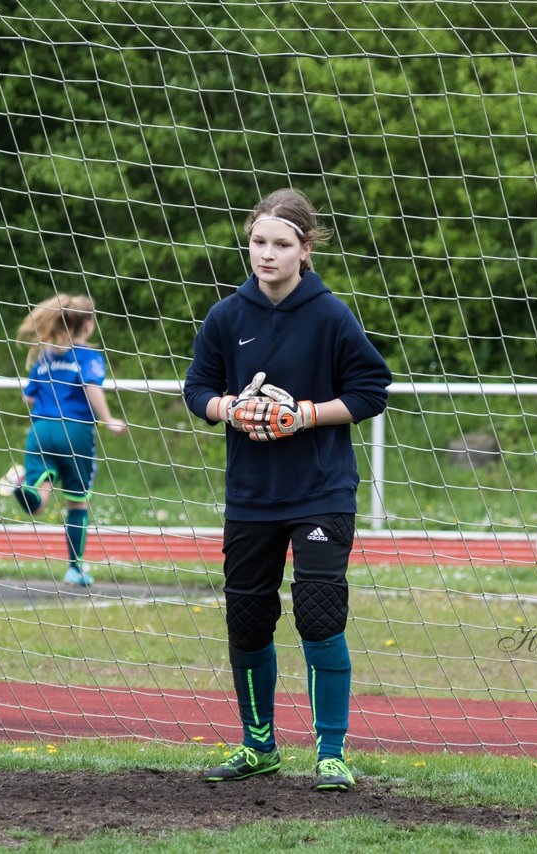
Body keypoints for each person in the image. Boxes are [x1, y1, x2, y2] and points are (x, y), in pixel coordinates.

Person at [183, 188, 392, 791]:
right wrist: (229, 409)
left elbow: (371, 390)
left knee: (319, 616)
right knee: (248, 621)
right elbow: (196, 388)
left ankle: (331, 753)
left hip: (321, 491)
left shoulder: (330, 316)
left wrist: (302, 414)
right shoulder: (226, 317)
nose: (267, 254)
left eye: (281, 244)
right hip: (251, 495)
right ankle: (258, 746)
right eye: (258, 242)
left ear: (305, 249)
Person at [0, 294, 126, 587]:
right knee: (77, 503)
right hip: (75, 431)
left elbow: (28, 396)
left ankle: (22, 485)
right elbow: (91, 387)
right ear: (88, 326)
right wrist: (108, 420)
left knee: (40, 501)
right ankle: (74, 568)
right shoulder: (89, 357)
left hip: (41, 431)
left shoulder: (45, 357)